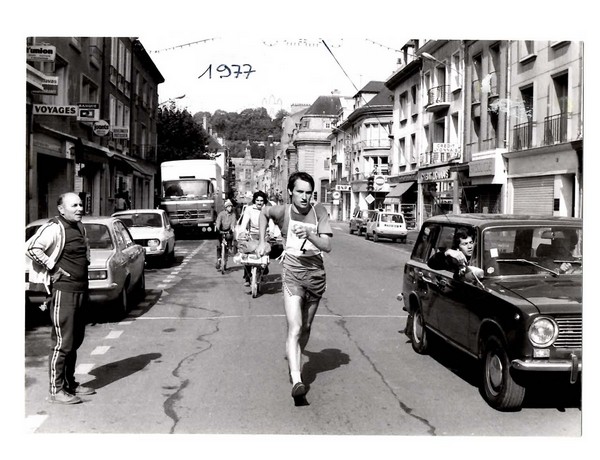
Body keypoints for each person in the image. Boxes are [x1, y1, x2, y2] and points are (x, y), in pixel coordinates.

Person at [256, 172, 333, 400]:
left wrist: (310, 234)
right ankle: (297, 379)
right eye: (300, 192)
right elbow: (263, 212)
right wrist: (261, 241)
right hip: (292, 272)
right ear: (291, 192)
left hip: (316, 275)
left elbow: (327, 245)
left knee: (306, 327)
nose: (304, 197)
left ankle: (295, 355)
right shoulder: (283, 211)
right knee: (295, 327)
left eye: (308, 192)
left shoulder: (319, 212)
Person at [25, 192, 95, 404]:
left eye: (80, 205)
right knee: (62, 343)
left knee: (75, 340)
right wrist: (53, 267)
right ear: (61, 209)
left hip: (81, 290)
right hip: (63, 291)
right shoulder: (54, 227)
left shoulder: (79, 226)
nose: (79, 209)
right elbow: (31, 248)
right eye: (74, 205)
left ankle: (69, 383)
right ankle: (56, 390)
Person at [237, 190, 273, 285]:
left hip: (264, 235)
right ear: (254, 201)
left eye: (261, 200)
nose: (259, 203)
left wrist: (272, 232)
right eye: (257, 200)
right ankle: (247, 277)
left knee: (264, 254)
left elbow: (272, 222)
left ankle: (263, 271)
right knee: (247, 254)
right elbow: (244, 222)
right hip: (252, 234)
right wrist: (242, 232)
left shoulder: (268, 209)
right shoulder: (249, 209)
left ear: (264, 201)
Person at [214, 199, 237, 270]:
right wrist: (218, 229)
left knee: (229, 238)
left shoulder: (233, 215)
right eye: (228, 207)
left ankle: (227, 253)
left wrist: (231, 229)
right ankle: (219, 259)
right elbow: (218, 222)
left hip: (228, 231)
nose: (230, 208)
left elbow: (233, 223)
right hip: (221, 230)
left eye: (231, 206)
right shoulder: (221, 214)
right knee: (218, 245)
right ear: (226, 207)